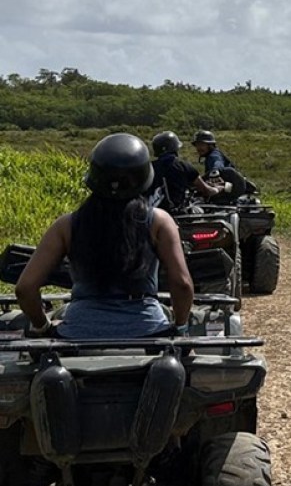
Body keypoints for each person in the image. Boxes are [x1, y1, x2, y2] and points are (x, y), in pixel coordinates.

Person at [16, 133, 194, 339]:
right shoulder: (159, 221)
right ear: (144, 178)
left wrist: (42, 327)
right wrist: (180, 327)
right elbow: (182, 284)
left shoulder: (66, 225)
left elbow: (25, 288)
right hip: (147, 330)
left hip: (77, 332)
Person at [151, 131, 226, 212]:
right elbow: (206, 191)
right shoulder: (184, 166)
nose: (199, 148)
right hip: (178, 213)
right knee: (201, 210)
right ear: (175, 148)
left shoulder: (149, 168)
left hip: (154, 215)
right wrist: (218, 189)